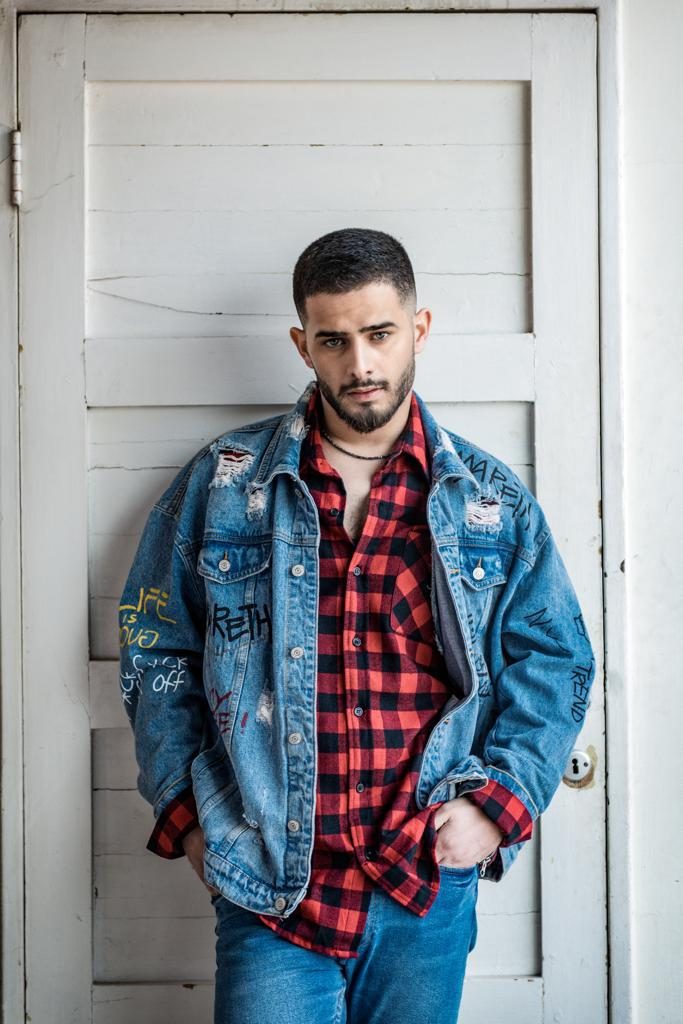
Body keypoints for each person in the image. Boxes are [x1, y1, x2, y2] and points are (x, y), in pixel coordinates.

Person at [118, 228, 596, 1024]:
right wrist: (187, 818)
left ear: (418, 328)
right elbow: (155, 644)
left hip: (422, 883)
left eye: (379, 334)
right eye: (334, 340)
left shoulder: (489, 500)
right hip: (269, 883)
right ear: (302, 344)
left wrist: (499, 804)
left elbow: (555, 656)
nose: (360, 363)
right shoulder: (225, 484)